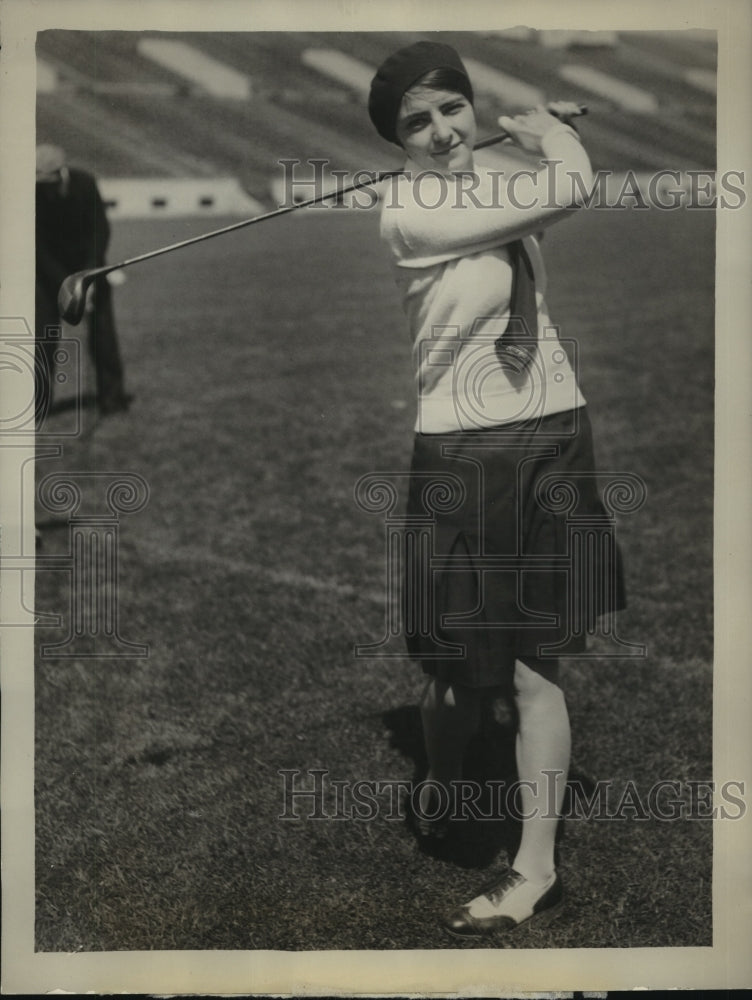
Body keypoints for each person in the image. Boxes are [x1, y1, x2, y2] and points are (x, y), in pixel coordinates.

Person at [368, 42, 625, 938]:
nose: (440, 132)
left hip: (555, 427)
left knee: (531, 669)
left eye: (451, 111)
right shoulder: (406, 215)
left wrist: (523, 138)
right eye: (417, 123)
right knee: (450, 671)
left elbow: (533, 190)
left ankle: (534, 868)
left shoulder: (492, 186)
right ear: (396, 142)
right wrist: (548, 133)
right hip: (465, 450)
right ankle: (443, 777)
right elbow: (570, 184)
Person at [35, 143, 131, 420]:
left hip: (89, 267)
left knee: (103, 335)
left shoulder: (85, 184)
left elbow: (100, 230)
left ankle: (112, 401)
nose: (43, 186)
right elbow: (38, 247)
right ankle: (38, 407)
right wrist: (67, 284)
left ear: (61, 172)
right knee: (42, 339)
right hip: (49, 271)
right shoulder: (31, 192)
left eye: (48, 180)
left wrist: (87, 278)